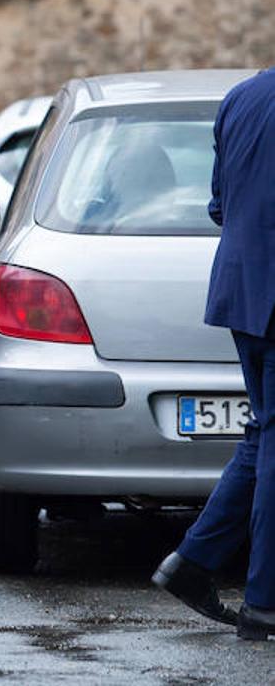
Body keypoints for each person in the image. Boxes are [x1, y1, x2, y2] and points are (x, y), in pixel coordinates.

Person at [153, 67, 275, 639]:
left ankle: (192, 563)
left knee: (264, 434)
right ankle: (265, 601)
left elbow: (220, 206)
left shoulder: (243, 96)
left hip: (244, 290)